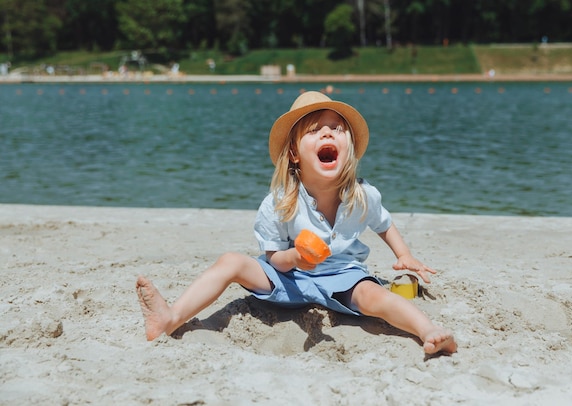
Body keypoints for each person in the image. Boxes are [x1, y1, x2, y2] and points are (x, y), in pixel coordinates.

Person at [136, 91, 457, 355]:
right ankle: (171, 318)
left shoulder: (362, 195)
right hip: (288, 277)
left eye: (337, 128)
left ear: (350, 150)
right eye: (315, 130)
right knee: (230, 261)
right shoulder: (280, 202)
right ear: (293, 153)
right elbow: (275, 257)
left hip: (343, 276)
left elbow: (384, 224)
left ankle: (428, 331)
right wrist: (295, 258)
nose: (328, 132)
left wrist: (404, 255)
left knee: (376, 297)